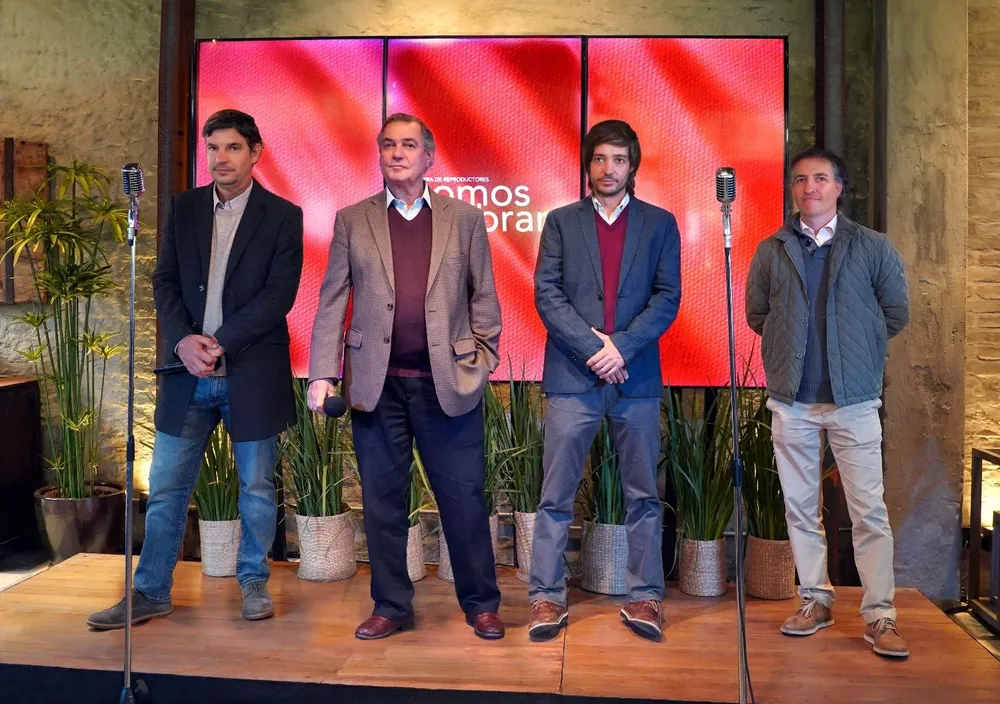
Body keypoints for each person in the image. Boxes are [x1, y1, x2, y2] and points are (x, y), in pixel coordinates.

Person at [88, 109, 304, 629]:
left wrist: (221, 343)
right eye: (213, 149)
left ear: (256, 152)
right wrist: (186, 341)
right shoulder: (184, 208)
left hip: (250, 372)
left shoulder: (282, 215)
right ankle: (150, 591)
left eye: (232, 148)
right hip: (188, 375)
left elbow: (280, 295)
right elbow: (164, 282)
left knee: (255, 488)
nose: (220, 158)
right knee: (165, 488)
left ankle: (253, 582)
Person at [307, 113, 504, 641]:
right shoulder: (354, 219)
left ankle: (482, 603)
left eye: (409, 145)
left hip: (450, 385)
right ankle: (392, 605)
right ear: (379, 155)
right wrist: (322, 374)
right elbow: (331, 302)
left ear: (429, 157)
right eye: (389, 145)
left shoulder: (464, 218)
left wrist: (483, 357)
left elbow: (483, 296)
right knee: (383, 503)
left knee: (464, 500)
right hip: (377, 387)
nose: (397, 153)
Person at [745, 146, 910, 658]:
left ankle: (880, 615)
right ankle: (814, 598)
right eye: (800, 180)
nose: (809, 188)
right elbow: (757, 314)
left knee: (869, 511)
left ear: (839, 187)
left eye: (820, 179)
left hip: (854, 400)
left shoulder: (873, 247)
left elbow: (895, 312)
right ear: (792, 189)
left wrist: (853, 354)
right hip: (791, 400)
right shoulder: (772, 248)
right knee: (799, 508)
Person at [528, 120, 681, 642]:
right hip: (574, 378)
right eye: (599, 159)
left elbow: (667, 297)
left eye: (618, 159)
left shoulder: (660, 224)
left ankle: (645, 599)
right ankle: (546, 598)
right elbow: (547, 294)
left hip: (635, 378)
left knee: (643, 496)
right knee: (555, 496)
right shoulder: (561, 222)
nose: (608, 168)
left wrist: (622, 349)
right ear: (587, 165)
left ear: (632, 165)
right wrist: (597, 350)